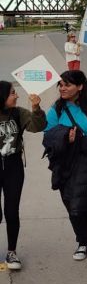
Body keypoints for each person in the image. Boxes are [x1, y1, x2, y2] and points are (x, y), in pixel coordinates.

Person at [43, 70, 87, 261]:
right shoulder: (56, 109)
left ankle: (82, 241)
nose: (62, 88)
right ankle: (85, 229)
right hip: (64, 162)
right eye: (61, 85)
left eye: (67, 84)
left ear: (80, 86)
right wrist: (65, 137)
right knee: (70, 202)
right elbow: (48, 137)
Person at [0, 82, 47, 270]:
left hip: (13, 167)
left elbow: (38, 126)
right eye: (13, 93)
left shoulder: (19, 113)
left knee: (11, 211)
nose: (16, 96)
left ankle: (11, 252)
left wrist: (36, 108)